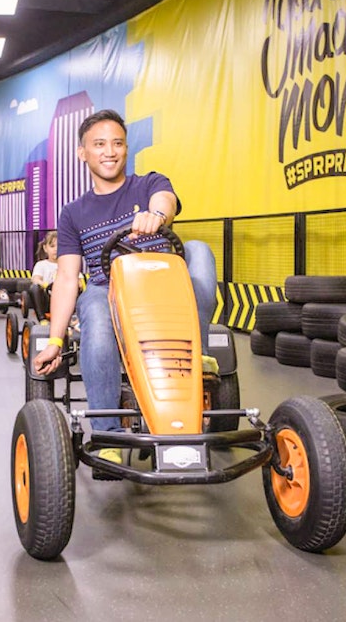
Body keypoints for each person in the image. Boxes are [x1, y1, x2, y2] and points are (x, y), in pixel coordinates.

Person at [32, 109, 217, 463]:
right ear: (82, 152)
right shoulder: (73, 213)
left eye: (117, 143)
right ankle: (108, 435)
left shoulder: (148, 185)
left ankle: (200, 355)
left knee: (198, 250)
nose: (109, 152)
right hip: (109, 290)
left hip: (164, 286)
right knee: (93, 306)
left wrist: (156, 217)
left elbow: (166, 202)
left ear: (126, 149)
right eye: (99, 144)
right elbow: (68, 277)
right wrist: (55, 340)